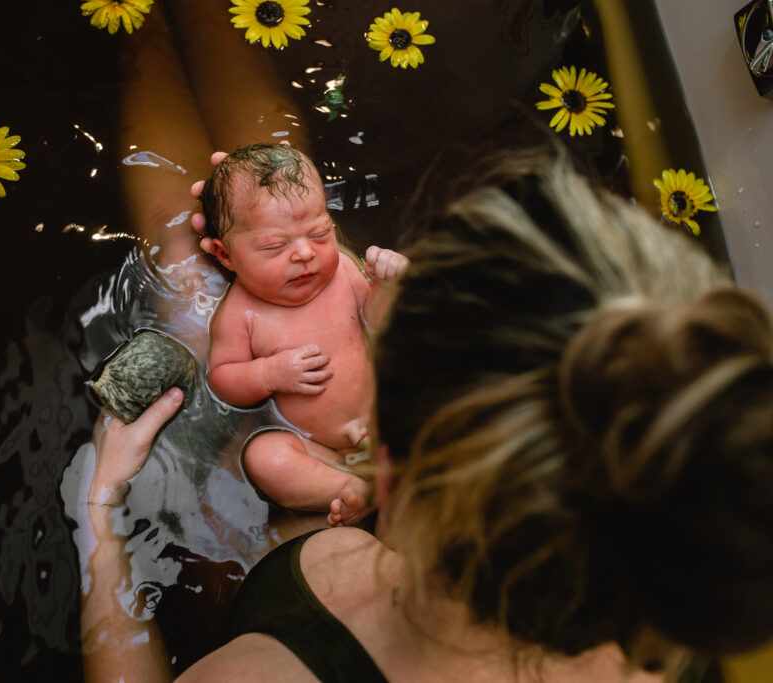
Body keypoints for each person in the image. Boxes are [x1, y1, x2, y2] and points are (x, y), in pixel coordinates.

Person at [81, 152, 773, 682]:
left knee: (177, 251)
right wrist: (284, 215)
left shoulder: (261, 672)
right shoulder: (671, 599)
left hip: (289, 530)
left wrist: (102, 519)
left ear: (387, 459)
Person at [198, 143, 409, 527]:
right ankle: (351, 488)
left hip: (393, 418)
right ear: (224, 255)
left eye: (319, 232)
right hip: (320, 449)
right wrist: (268, 374)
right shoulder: (240, 314)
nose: (304, 254)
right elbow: (222, 379)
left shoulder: (344, 270)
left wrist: (386, 287)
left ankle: (387, 479)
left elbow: (378, 324)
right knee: (265, 457)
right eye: (275, 246)